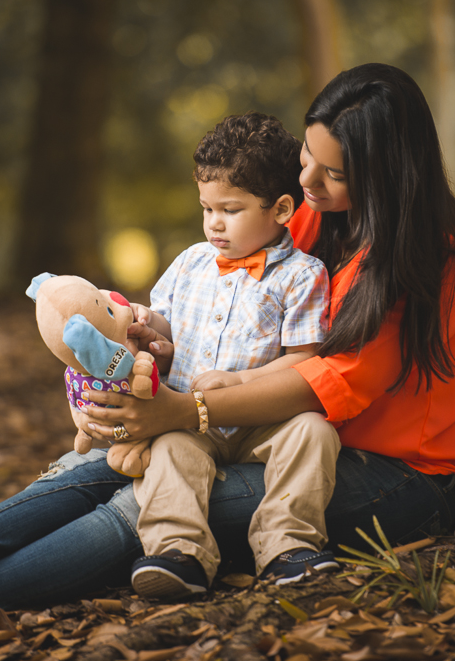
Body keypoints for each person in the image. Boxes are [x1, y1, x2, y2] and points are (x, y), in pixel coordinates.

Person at [0, 63, 455, 640]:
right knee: (99, 461)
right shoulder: (306, 213)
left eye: (332, 174)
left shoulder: (443, 253)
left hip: (391, 476)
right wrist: (133, 380)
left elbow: (325, 381)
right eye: (308, 158)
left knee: (146, 499)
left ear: (390, 175)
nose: (308, 184)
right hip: (263, 432)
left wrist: (189, 409)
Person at [129, 112, 339, 600]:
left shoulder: (302, 276)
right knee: (168, 452)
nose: (214, 224)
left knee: (314, 431)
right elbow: (166, 326)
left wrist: (241, 382)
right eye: (206, 208)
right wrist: (147, 329)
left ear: (282, 209)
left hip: (258, 422)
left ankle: (289, 546)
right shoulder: (191, 262)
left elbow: (304, 359)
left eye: (231, 209)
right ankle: (178, 553)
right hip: (188, 419)